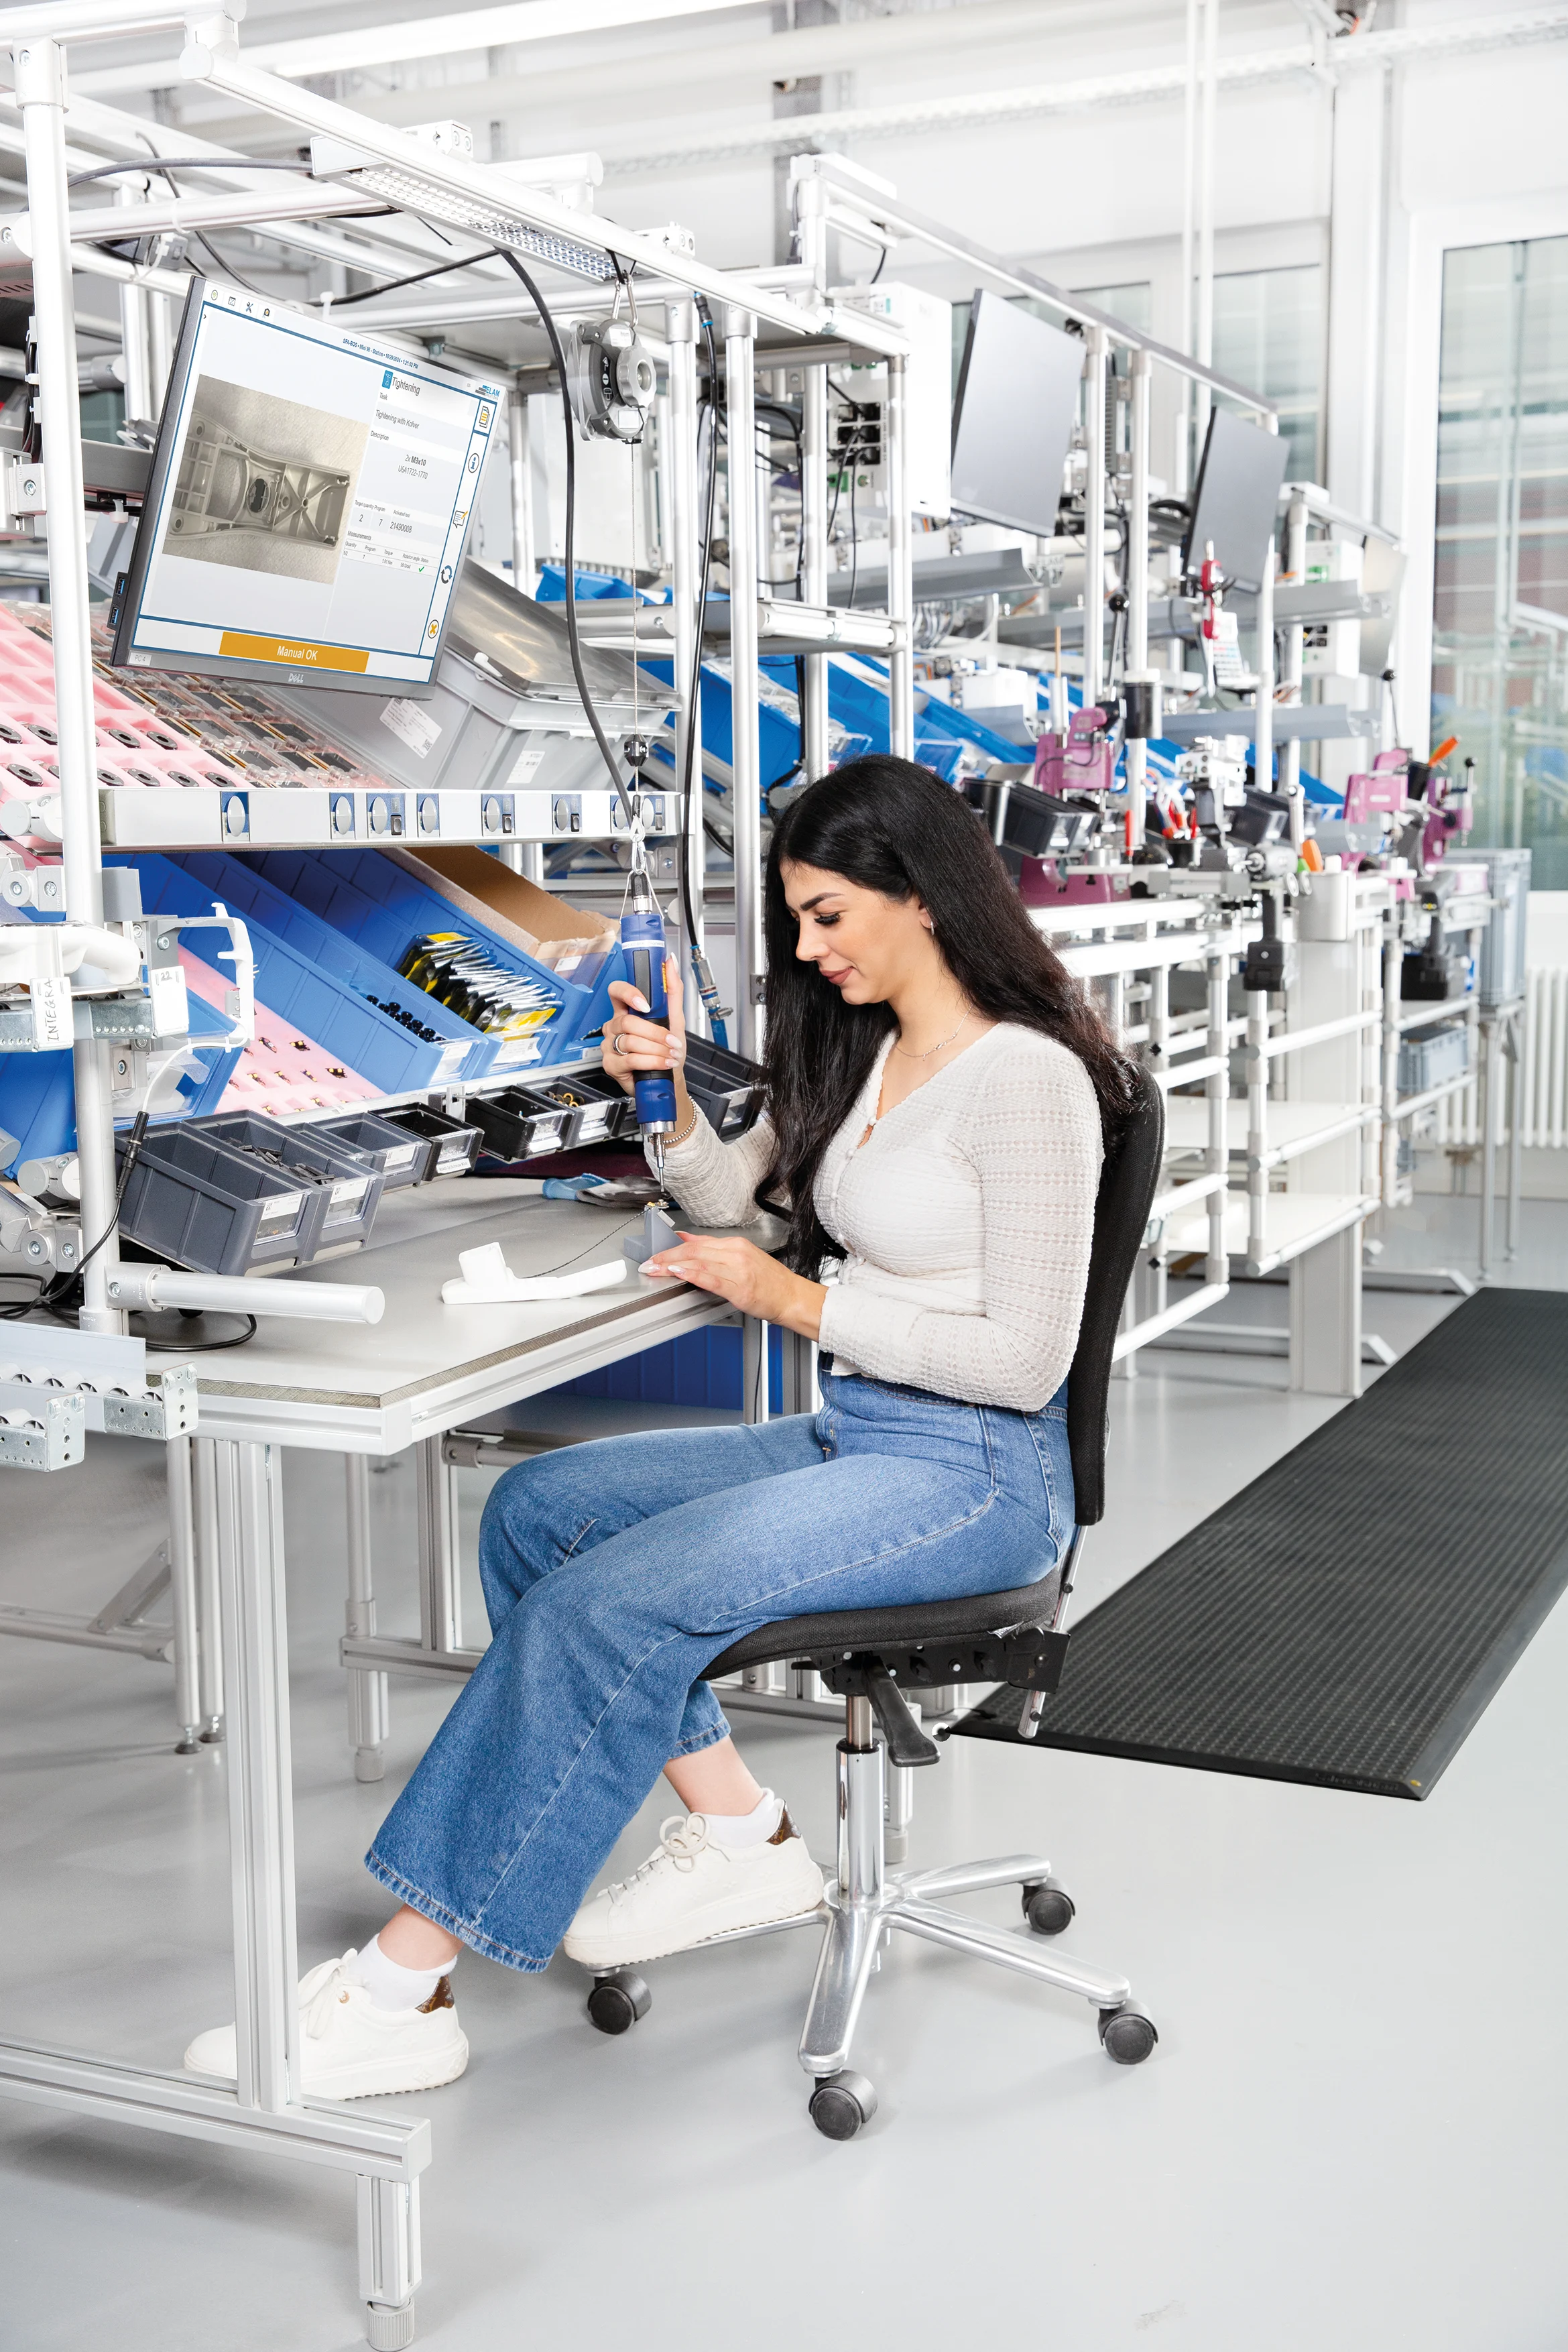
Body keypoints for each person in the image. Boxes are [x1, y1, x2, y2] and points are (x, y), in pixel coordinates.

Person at [185, 756, 1132, 2100]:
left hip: (974, 1471)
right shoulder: (883, 1051)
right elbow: (760, 1215)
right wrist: (679, 1118)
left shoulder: (1023, 1077)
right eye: (797, 916)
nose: (806, 948)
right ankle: (739, 1833)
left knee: (602, 1609)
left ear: (918, 896)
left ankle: (403, 1982)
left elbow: (1025, 1361)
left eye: (825, 915)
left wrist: (797, 1300)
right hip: (862, 1431)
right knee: (537, 1514)